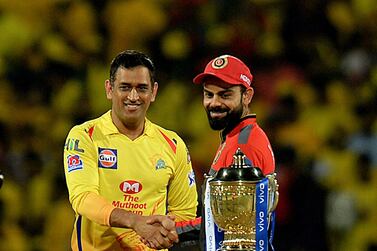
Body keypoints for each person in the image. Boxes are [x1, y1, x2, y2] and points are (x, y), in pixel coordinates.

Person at [63, 50, 198, 250]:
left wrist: (166, 230)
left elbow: (184, 212)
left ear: (153, 92)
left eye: (142, 88)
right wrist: (136, 222)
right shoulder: (85, 136)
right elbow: (83, 199)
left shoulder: (173, 144)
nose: (133, 97)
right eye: (124, 87)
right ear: (109, 89)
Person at [192, 54, 276, 250]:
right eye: (208, 94)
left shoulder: (243, 146)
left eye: (225, 95)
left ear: (247, 96)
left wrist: (173, 228)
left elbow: (237, 228)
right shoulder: (238, 137)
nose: (214, 103)